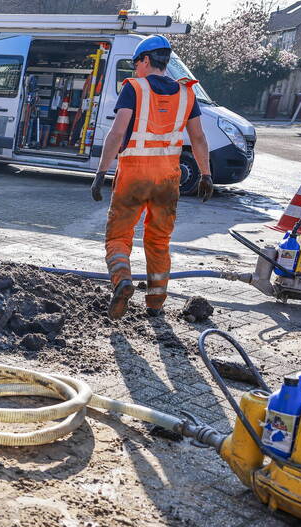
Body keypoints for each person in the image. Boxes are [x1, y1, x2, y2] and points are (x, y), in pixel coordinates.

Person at [90, 35, 214, 319]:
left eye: (136, 64)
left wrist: (101, 172)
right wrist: (205, 174)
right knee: (158, 242)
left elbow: (117, 133)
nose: (135, 70)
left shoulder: (134, 88)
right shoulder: (186, 94)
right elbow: (198, 137)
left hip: (134, 175)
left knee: (118, 236)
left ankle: (122, 280)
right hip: (168, 180)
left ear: (146, 60)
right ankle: (155, 305)